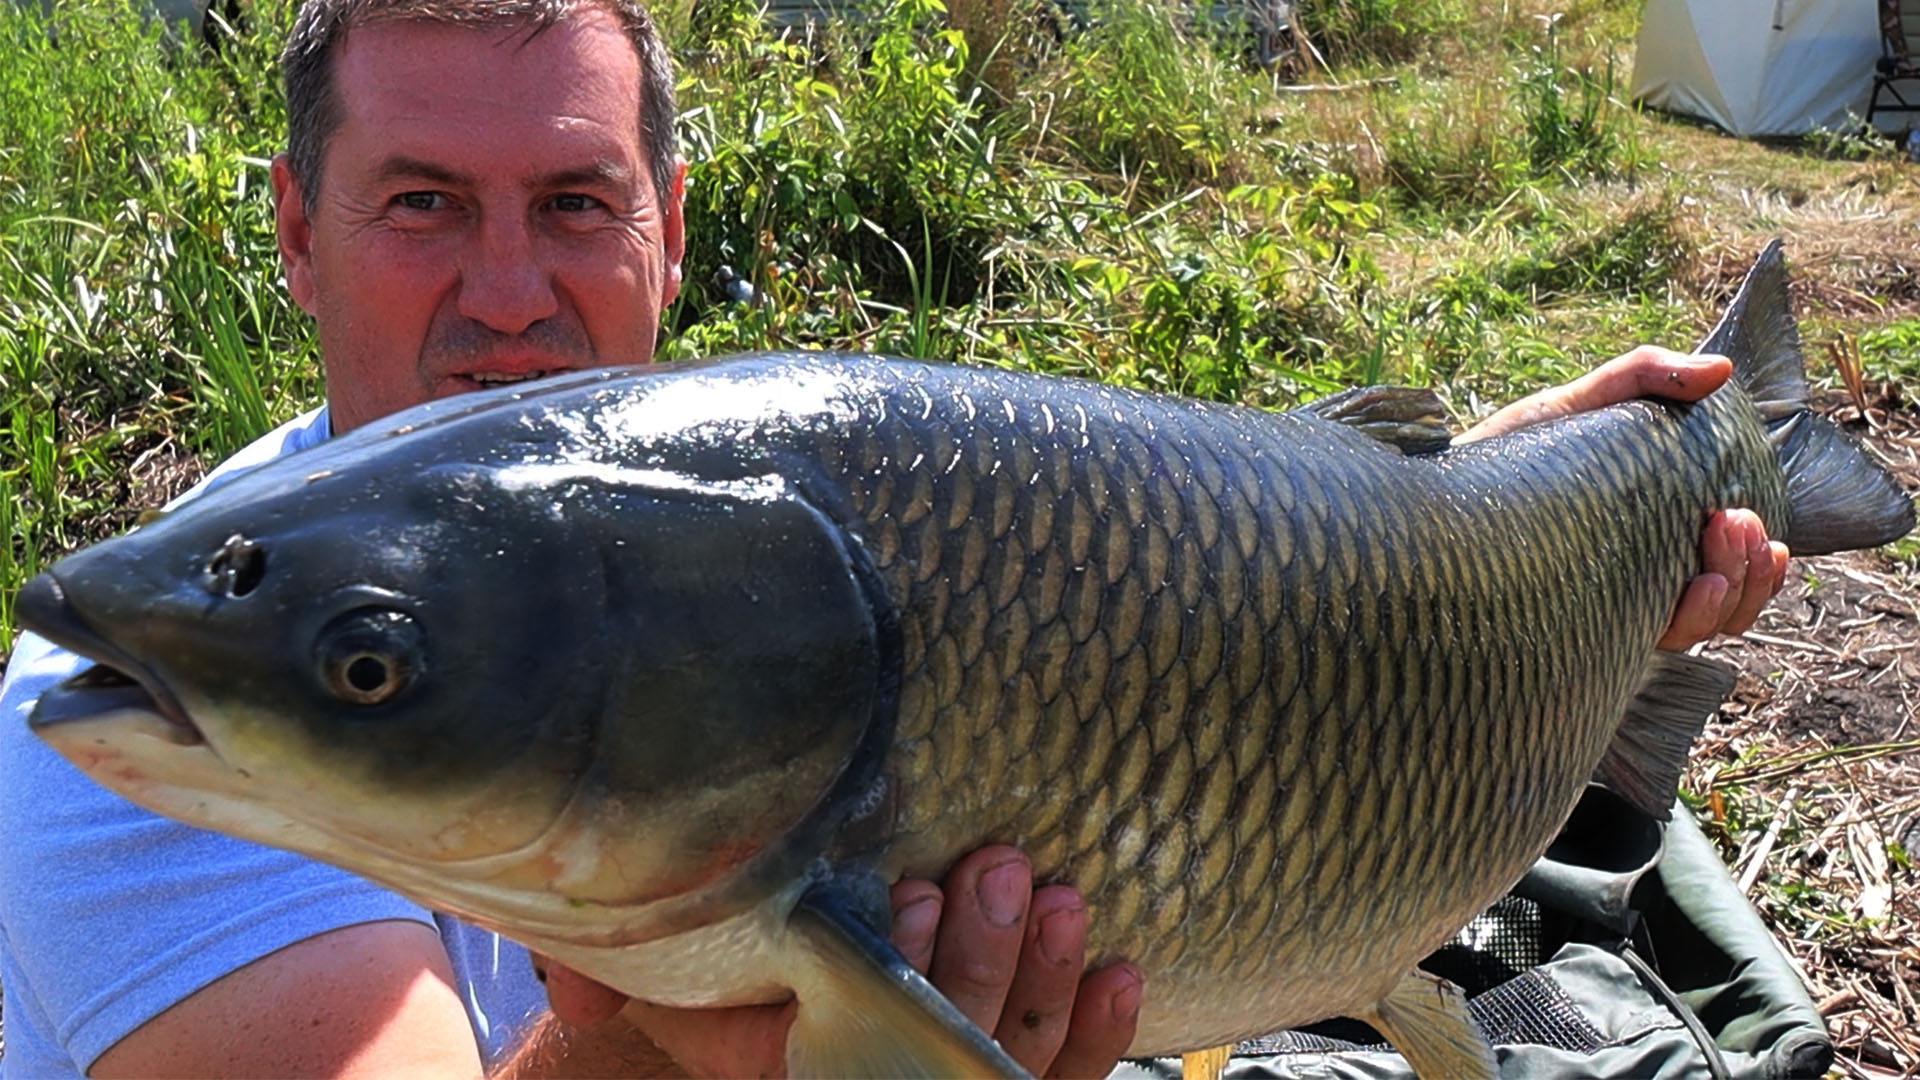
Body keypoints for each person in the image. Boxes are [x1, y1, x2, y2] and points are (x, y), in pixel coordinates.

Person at [0, 0, 1790, 1076]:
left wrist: (1550, 500)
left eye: (574, 202)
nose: (511, 292)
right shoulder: (129, 733)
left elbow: (1211, 562)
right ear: (295, 236)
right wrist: (664, 1044)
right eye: (421, 204)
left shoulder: (749, 502)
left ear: (668, 227)